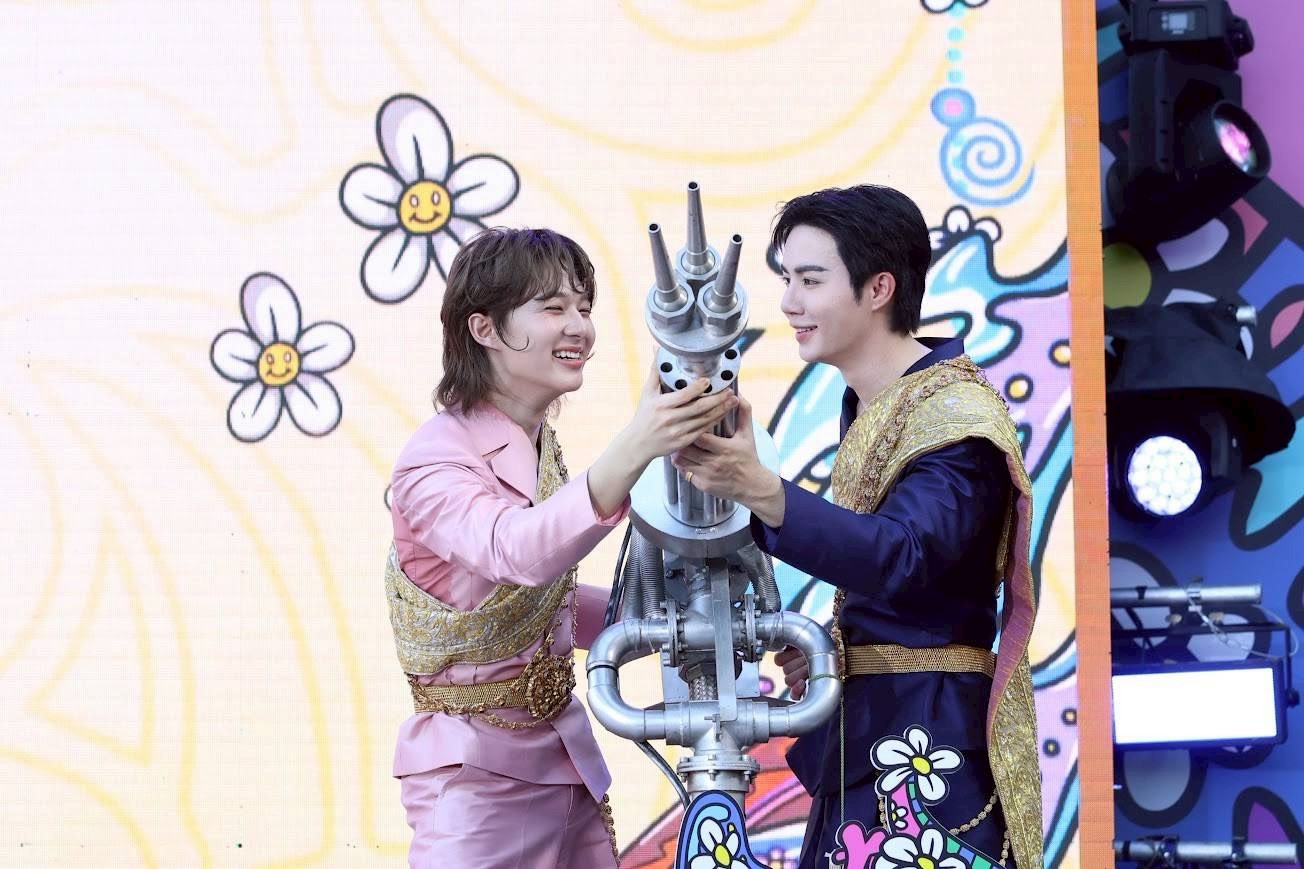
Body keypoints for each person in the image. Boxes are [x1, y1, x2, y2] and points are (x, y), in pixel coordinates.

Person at [671, 186, 1042, 869]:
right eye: (787, 279)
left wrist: (761, 489)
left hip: (924, 752)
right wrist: (836, 649)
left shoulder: (956, 421)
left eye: (811, 281)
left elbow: (902, 556)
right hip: (875, 741)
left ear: (878, 288)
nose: (789, 302)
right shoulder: (883, 405)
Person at [386, 227, 735, 867]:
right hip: (474, 782)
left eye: (584, 307)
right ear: (484, 329)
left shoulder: (535, 439)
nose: (580, 327)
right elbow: (517, 554)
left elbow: (544, 606)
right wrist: (639, 442)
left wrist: (680, 621)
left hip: (565, 763)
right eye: (553, 308)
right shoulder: (432, 462)